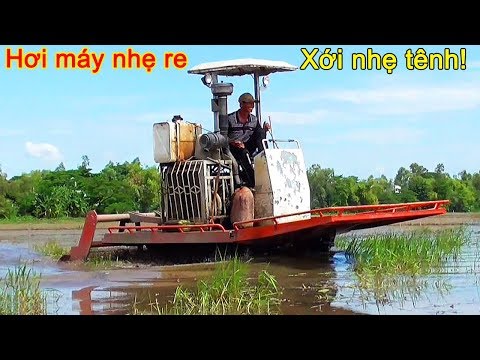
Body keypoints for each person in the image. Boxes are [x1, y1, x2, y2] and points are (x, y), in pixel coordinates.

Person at [227, 92, 271, 188]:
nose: (252, 106)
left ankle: (264, 157)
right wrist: (232, 142)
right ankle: (253, 182)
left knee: (260, 131)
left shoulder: (254, 120)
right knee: (243, 153)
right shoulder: (229, 119)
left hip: (247, 145)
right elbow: (222, 137)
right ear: (241, 104)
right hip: (234, 148)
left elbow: (258, 136)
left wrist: (264, 130)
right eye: (249, 103)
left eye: (253, 103)